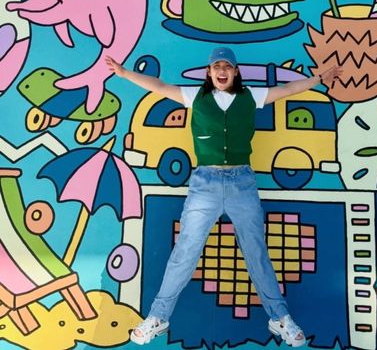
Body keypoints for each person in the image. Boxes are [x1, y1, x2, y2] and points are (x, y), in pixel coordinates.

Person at [105, 48, 342, 347]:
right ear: (209, 72)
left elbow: (289, 89)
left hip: (242, 184)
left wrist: (319, 78)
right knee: (185, 252)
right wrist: (124, 73)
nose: (221, 71)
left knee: (256, 253)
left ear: (235, 72)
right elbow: (160, 86)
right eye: (216, 66)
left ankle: (280, 317)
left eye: (227, 66)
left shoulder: (250, 96)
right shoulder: (195, 96)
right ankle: (158, 317)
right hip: (205, 184)